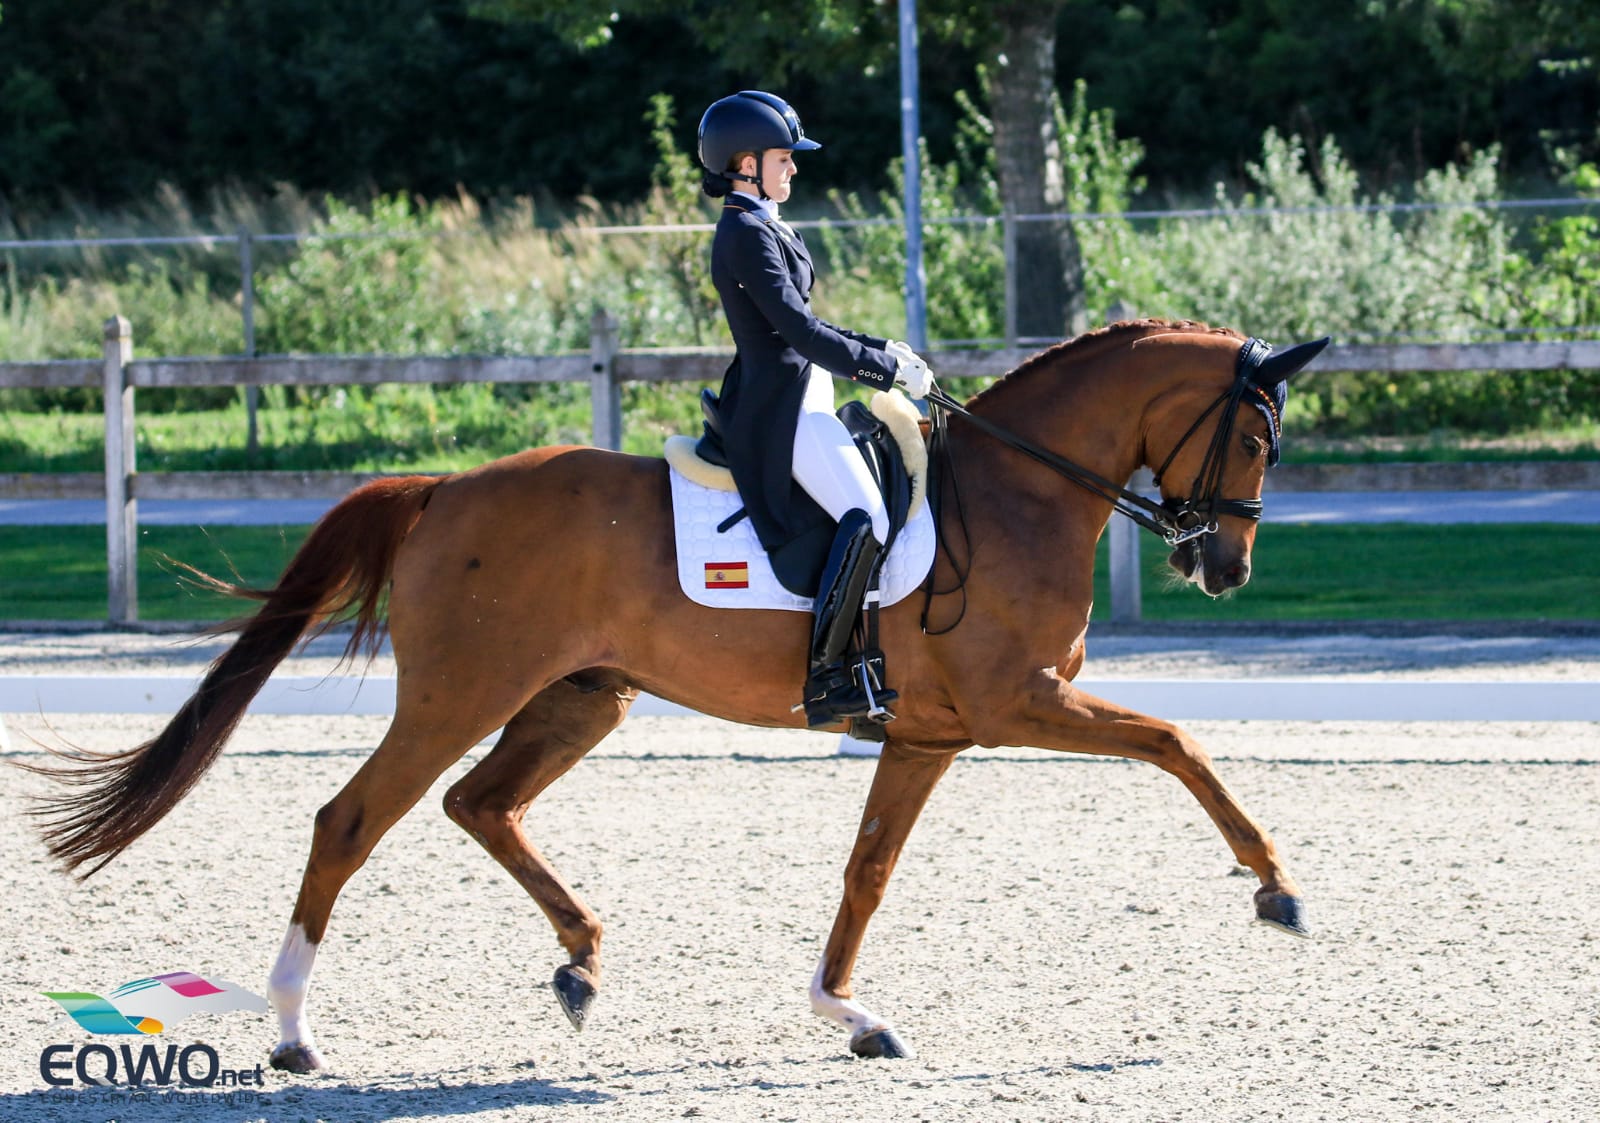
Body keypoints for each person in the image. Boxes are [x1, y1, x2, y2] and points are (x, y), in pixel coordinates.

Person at [697, 89, 934, 728]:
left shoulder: (768, 223)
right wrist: (881, 369)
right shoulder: (744, 233)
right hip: (781, 411)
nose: (794, 168)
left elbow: (807, 322)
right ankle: (830, 675)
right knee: (868, 516)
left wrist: (883, 349)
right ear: (745, 163)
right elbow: (800, 336)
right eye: (784, 157)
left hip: (806, 396)